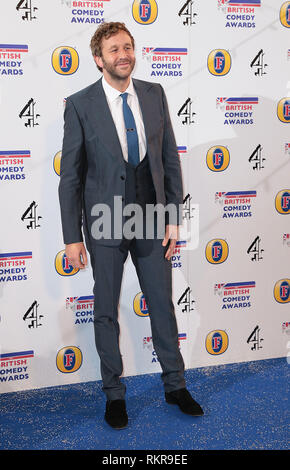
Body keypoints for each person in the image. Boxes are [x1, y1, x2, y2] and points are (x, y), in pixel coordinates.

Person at [58, 21, 203, 429]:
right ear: (98, 59)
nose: (123, 54)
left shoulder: (155, 94)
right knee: (105, 309)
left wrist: (174, 218)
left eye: (128, 46)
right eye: (114, 49)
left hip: (152, 216)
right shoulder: (80, 104)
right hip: (104, 220)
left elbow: (170, 159)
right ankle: (114, 395)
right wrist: (72, 237)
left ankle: (175, 386)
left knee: (162, 304)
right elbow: (70, 176)